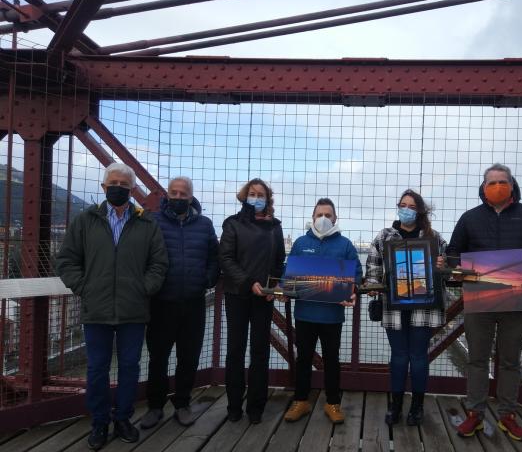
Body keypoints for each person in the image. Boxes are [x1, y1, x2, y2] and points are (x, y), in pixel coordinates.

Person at [56, 163, 168, 450]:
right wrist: (84, 288)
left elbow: (159, 263)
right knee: (96, 369)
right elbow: (67, 260)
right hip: (97, 308)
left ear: (131, 190)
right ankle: (99, 423)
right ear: (104, 187)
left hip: (133, 309)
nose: (118, 187)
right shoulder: (84, 221)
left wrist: (145, 288)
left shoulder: (147, 224)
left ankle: (123, 419)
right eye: (113, 182)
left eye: (123, 184)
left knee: (130, 367)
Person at [448, 163, 522, 441]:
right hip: (479, 300)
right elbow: (453, 255)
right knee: (477, 359)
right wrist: (456, 271)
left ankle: (507, 415)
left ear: (512, 184)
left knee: (510, 361)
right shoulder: (469, 218)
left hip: (517, 301)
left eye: (502, 181)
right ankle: (475, 414)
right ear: (483, 188)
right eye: (492, 182)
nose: (497, 186)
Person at [140, 177, 219, 429]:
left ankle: (182, 404)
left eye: (183, 194)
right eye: (173, 193)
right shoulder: (153, 221)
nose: (178, 197)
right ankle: (155, 406)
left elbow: (214, 257)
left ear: (190, 196)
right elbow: (143, 255)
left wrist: (207, 279)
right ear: (167, 194)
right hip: (161, 301)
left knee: (189, 357)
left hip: (194, 301)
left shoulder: (205, 225)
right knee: (158, 357)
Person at [365, 189, 446, 426]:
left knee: (419, 356)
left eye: (411, 206)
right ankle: (396, 406)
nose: (406, 209)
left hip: (425, 307)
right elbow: (373, 269)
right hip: (394, 307)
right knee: (399, 357)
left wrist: (442, 263)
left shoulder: (435, 238)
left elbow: (448, 268)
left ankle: (417, 407)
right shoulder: (384, 237)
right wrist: (372, 284)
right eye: (403, 205)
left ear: (419, 211)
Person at [283, 198, 362, 424]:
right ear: (313, 218)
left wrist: (352, 289)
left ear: (335, 218)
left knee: (332, 359)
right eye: (319, 215)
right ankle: (301, 400)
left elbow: (356, 274)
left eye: (328, 215)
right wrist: (284, 287)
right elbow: (289, 272)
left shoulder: (345, 245)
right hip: (304, 314)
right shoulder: (300, 243)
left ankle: (333, 402)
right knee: (303, 358)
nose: (324, 219)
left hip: (332, 316)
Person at [219, 178, 285, 424]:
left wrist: (273, 285)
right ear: (244, 195)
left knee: (260, 352)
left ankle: (256, 406)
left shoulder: (275, 227)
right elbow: (225, 258)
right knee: (235, 350)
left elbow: (279, 260)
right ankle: (233, 405)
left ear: (268, 199)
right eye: (252, 193)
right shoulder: (232, 224)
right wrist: (248, 282)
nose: (256, 198)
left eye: (261, 194)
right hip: (237, 294)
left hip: (263, 298)